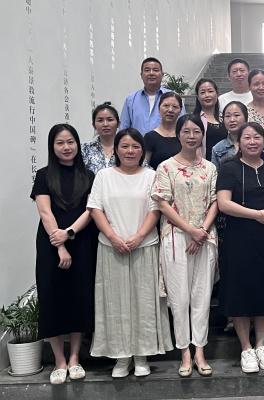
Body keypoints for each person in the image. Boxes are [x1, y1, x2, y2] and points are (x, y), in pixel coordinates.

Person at [88, 128, 173, 378]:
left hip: (144, 246)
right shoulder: (104, 176)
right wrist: (114, 237)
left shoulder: (151, 175)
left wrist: (138, 237)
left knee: (144, 303)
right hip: (110, 248)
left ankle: (142, 355)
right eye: (124, 146)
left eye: (135, 146)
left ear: (142, 151)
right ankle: (121, 357)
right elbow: (95, 209)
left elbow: (155, 209)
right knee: (115, 303)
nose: (130, 151)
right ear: (116, 149)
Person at [152, 114, 218, 377]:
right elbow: (163, 203)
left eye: (196, 132)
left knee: (201, 296)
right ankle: (184, 352)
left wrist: (201, 231)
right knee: (179, 299)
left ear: (202, 136)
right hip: (176, 238)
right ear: (178, 135)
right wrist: (189, 229)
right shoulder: (165, 167)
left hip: (205, 238)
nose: (192, 136)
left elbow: (215, 201)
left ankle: (200, 349)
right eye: (186, 132)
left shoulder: (210, 168)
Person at [31, 124, 96, 384]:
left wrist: (69, 234)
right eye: (60, 143)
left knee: (79, 297)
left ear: (78, 144)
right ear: (52, 146)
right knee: (52, 297)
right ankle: (59, 360)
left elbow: (91, 209)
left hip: (81, 241)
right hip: (50, 243)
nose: (67, 147)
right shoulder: (44, 175)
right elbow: (45, 211)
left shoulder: (89, 175)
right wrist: (59, 243)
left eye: (70, 142)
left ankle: (74, 358)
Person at [216, 122, 264, 373]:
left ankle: (261, 345)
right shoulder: (229, 168)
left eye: (257, 137)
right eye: (247, 137)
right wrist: (255, 214)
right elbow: (223, 203)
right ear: (238, 142)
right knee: (240, 292)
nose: (252, 141)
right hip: (237, 240)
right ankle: (245, 348)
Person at [120, 57, 185, 133]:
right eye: (147, 70)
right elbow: (123, 129)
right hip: (138, 144)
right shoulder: (131, 100)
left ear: (162, 74)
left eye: (156, 70)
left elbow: (182, 125)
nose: (151, 73)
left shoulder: (174, 98)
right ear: (141, 75)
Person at [144, 92, 183, 169]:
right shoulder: (150, 137)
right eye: (166, 106)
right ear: (159, 108)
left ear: (180, 110)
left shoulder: (184, 136)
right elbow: (145, 166)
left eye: (175, 107)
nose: (170, 110)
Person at [193, 78, 227, 161]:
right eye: (202, 92)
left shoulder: (225, 118)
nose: (207, 95)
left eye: (210, 91)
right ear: (197, 97)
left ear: (217, 94)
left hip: (225, 166)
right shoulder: (194, 120)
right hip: (204, 167)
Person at [82, 102, 120, 173]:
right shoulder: (84, 149)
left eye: (110, 119)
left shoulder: (127, 148)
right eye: (100, 120)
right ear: (94, 125)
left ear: (118, 123)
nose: (105, 124)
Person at [211, 101, 248, 171]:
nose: (232, 120)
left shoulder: (255, 143)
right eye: (228, 116)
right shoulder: (217, 149)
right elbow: (216, 177)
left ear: (246, 118)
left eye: (236, 115)